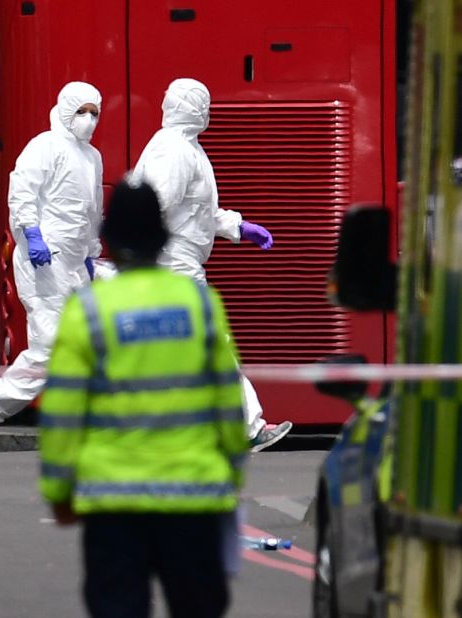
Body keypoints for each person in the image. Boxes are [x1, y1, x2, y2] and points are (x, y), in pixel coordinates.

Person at [39, 178, 248, 618]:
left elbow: (63, 411)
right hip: (195, 497)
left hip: (114, 504)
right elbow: (229, 402)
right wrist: (232, 470)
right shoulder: (200, 303)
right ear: (161, 241)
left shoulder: (89, 310)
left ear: (109, 244)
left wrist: (59, 489)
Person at [132, 77, 292, 452]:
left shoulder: (185, 148)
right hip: (172, 264)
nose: (207, 111)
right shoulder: (173, 151)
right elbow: (154, 209)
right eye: (202, 103)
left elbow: (196, 210)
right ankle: (246, 428)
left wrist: (237, 226)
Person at [0, 81, 110, 452]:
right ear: (65, 110)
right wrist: (32, 235)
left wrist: (91, 253)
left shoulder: (92, 157)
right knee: (50, 349)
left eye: (95, 112)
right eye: (82, 111)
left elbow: (92, 210)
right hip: (42, 261)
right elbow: (22, 192)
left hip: (74, 262)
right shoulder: (44, 146)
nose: (89, 120)